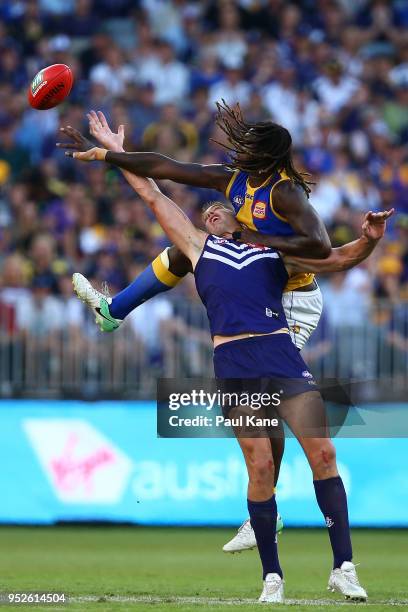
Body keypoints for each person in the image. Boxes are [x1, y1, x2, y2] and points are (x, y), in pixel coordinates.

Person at [68, 143, 392, 603]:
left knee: (323, 454)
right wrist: (115, 155)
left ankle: (344, 567)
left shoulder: (273, 255)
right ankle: (272, 577)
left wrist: (371, 239)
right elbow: (155, 194)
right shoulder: (198, 249)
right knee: (259, 467)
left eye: (221, 207)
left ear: (244, 219)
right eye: (209, 210)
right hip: (236, 366)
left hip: (281, 356)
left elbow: (338, 258)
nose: (212, 211)